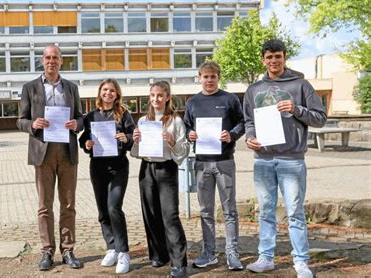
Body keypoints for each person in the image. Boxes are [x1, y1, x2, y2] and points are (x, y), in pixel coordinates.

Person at [243, 39, 327, 278]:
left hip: (292, 159)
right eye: (269, 57)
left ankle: (301, 262)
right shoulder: (253, 89)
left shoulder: (300, 84)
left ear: (284, 57)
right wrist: (250, 137)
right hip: (263, 159)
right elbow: (249, 121)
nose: (273, 61)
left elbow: (320, 118)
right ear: (263, 60)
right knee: (265, 210)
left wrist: (296, 109)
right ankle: (266, 258)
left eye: (277, 56)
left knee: (295, 211)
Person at [17, 45, 84, 271]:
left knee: (68, 204)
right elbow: (20, 119)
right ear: (42, 61)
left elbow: (80, 117)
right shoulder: (30, 88)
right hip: (42, 152)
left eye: (55, 57)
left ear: (61, 61)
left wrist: (78, 124)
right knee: (44, 205)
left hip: (67, 151)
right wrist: (32, 125)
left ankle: (68, 250)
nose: (51, 61)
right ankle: (47, 250)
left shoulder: (71, 88)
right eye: (47, 57)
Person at [183, 61, 245, 271]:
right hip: (201, 163)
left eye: (213, 76)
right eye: (205, 76)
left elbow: (242, 123)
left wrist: (232, 135)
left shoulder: (230, 99)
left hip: (224, 161)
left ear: (219, 77)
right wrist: (189, 135)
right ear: (199, 78)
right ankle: (209, 253)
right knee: (205, 211)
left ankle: (232, 253)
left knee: (229, 210)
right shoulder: (192, 102)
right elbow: (186, 127)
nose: (209, 80)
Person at [131, 80, 190, 277]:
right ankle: (158, 254)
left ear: (167, 98)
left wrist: (172, 142)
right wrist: (136, 141)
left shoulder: (175, 121)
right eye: (153, 95)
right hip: (147, 168)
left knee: (170, 215)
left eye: (160, 95)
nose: (156, 99)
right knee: (151, 213)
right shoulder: (142, 121)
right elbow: (136, 152)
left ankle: (179, 262)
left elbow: (183, 151)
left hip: (167, 169)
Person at [78, 78, 135, 274]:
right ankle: (111, 247)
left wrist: (125, 138)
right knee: (102, 210)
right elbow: (84, 137)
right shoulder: (92, 115)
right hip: (98, 166)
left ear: (117, 94)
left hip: (118, 166)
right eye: (105, 90)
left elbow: (133, 136)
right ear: (100, 92)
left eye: (112, 90)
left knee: (114, 207)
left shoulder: (123, 114)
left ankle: (123, 252)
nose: (108, 93)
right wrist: (86, 144)